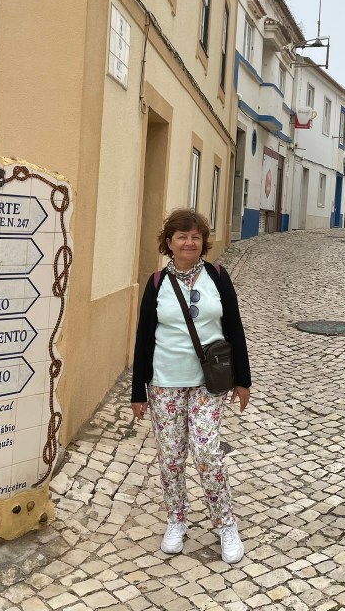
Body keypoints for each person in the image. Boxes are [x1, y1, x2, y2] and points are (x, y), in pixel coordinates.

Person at [131, 208, 252, 564]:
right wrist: (138, 390)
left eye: (195, 237)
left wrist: (243, 380)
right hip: (164, 382)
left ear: (203, 242)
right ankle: (177, 519)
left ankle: (225, 523)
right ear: (169, 243)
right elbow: (143, 339)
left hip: (208, 382)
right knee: (170, 457)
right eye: (182, 236)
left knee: (206, 451)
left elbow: (235, 328)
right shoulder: (156, 283)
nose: (189, 242)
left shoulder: (218, 277)